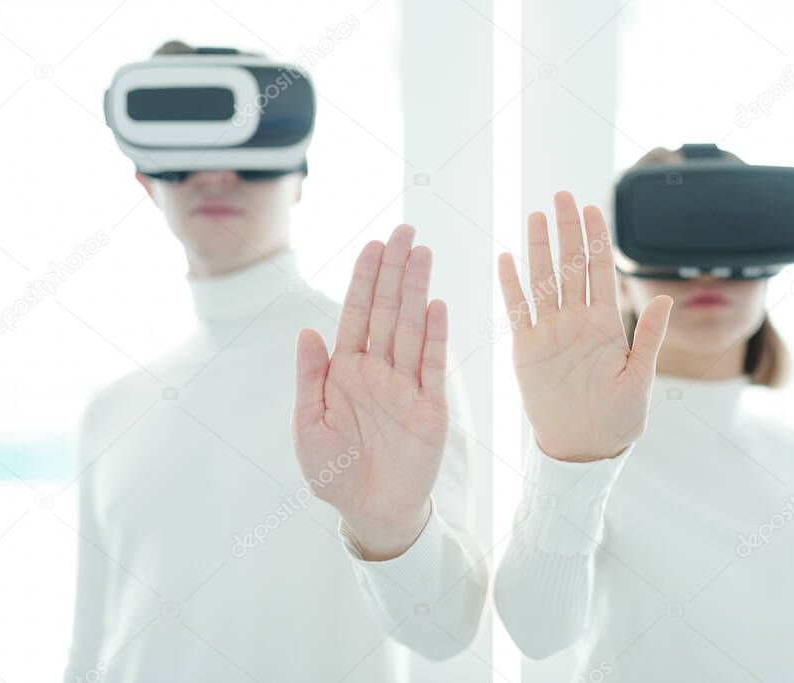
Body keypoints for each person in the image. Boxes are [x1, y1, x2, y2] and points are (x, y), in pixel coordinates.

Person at [63, 41, 486, 683]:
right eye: (186, 157)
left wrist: (392, 528)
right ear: (146, 182)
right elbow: (88, 648)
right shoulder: (110, 411)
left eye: (249, 148)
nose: (216, 174)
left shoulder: (381, 369)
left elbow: (445, 631)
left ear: (301, 175)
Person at [492, 147, 794, 681]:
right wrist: (574, 461)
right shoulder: (593, 450)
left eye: (731, 235)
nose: (705, 270)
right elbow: (538, 632)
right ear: (622, 281)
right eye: (677, 235)